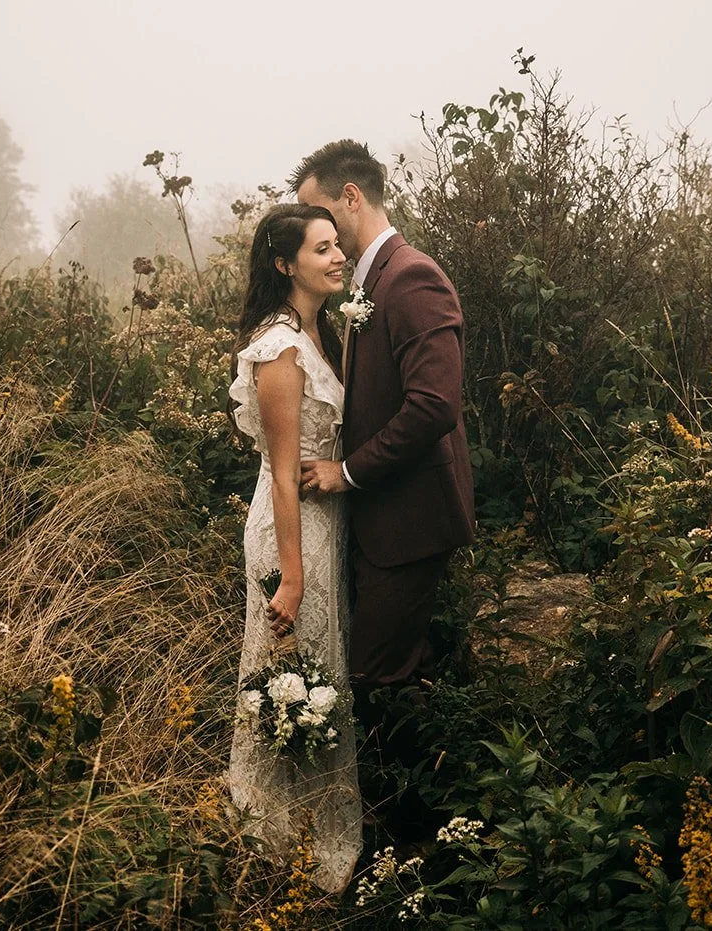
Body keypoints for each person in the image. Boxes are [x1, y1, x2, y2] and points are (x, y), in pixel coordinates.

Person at [293, 139, 474, 841]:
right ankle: (419, 824)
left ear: (350, 199)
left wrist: (349, 470)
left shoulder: (413, 278)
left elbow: (434, 406)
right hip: (383, 523)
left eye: (317, 214)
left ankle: (406, 841)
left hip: (410, 522)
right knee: (401, 674)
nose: (313, 235)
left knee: (377, 682)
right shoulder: (369, 286)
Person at [225, 202, 362, 892]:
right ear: (286, 264)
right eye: (322, 249)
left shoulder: (322, 334)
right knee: (290, 687)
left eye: (338, 245)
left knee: (318, 682)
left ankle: (302, 848)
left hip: (322, 529)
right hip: (289, 537)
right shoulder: (279, 347)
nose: (339, 257)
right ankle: (274, 849)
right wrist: (293, 577)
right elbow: (282, 471)